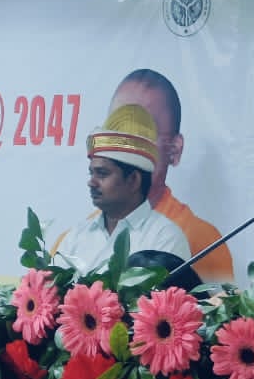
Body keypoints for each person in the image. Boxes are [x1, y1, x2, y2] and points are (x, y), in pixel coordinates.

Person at [110, 69, 233, 282]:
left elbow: (219, 303)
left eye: (143, 133)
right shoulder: (76, 238)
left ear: (174, 150)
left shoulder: (202, 239)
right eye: (116, 130)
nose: (126, 146)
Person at [54, 103, 189, 274]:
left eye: (102, 174)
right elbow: (50, 289)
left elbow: (165, 292)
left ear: (133, 180)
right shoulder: (76, 236)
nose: (91, 182)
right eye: (91, 173)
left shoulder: (165, 237)